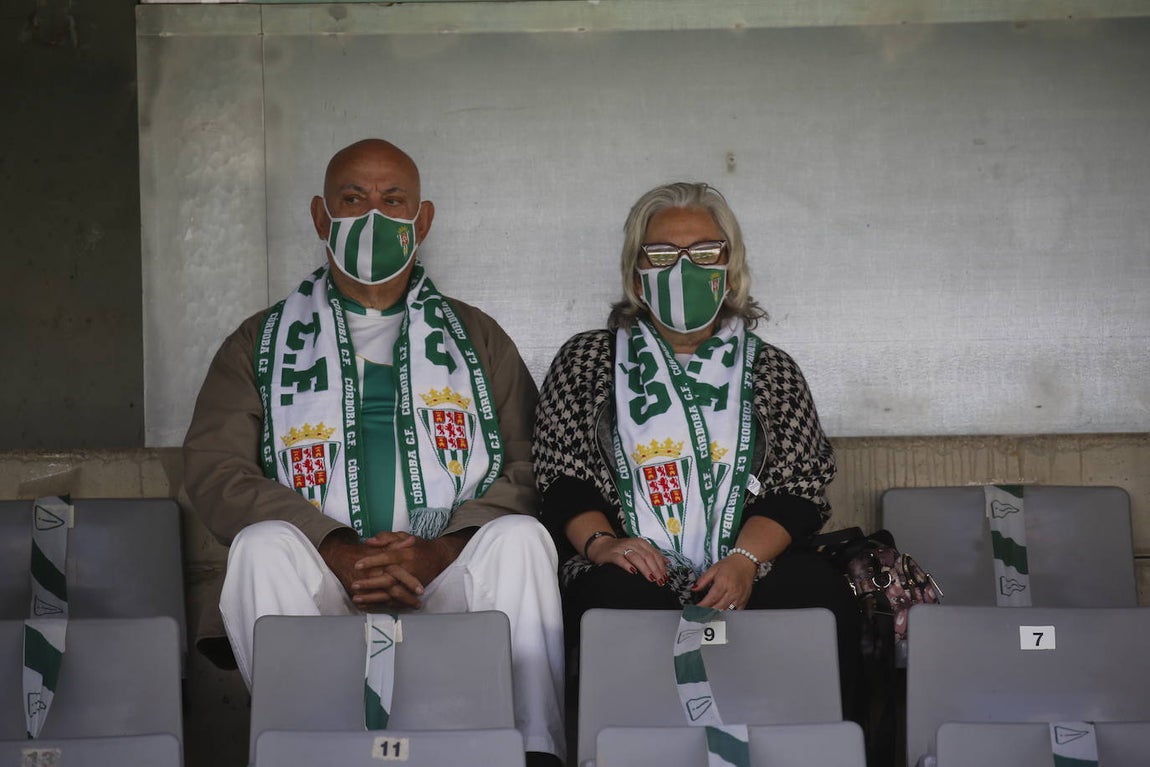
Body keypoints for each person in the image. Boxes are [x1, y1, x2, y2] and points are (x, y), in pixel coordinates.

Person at [184, 138, 565, 766]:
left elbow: (528, 461)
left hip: (444, 576)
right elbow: (215, 469)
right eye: (352, 199)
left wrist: (441, 550)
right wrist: (335, 548)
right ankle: (296, 750)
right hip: (324, 581)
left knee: (522, 539)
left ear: (423, 220)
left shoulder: (476, 337)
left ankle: (533, 753)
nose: (373, 216)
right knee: (259, 549)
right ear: (319, 216)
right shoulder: (261, 340)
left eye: (394, 202)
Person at [533, 181, 861, 721]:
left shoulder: (770, 368)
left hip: (751, 564)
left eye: (704, 253)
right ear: (636, 269)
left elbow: (801, 486)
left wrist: (744, 561)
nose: (683, 268)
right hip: (631, 563)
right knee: (616, 594)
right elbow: (560, 476)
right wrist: (603, 545)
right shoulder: (587, 359)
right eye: (662, 253)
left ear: (729, 266)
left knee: (817, 588)